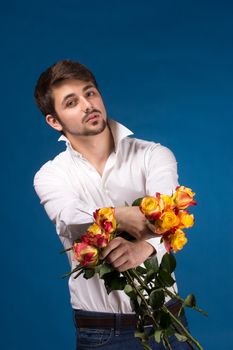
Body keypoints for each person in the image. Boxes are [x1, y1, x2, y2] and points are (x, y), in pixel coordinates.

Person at [33, 60, 191, 349]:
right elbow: (68, 216)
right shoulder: (50, 175)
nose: (87, 105)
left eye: (90, 93)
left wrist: (144, 248)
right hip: (102, 332)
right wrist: (118, 216)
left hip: (168, 321)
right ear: (54, 121)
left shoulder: (153, 154)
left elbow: (169, 213)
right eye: (71, 102)